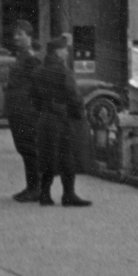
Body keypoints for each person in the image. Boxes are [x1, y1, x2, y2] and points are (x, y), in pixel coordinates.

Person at [34, 36, 91, 207]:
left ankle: (44, 194)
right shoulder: (64, 72)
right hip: (63, 119)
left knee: (47, 156)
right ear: (58, 52)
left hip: (45, 118)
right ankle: (69, 194)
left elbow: (33, 96)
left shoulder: (39, 71)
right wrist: (80, 115)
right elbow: (74, 96)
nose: (66, 52)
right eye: (65, 49)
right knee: (67, 156)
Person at [4, 20, 42, 202]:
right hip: (18, 111)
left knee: (31, 149)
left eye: (21, 34)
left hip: (27, 112)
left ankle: (37, 188)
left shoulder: (31, 59)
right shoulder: (21, 58)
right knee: (24, 149)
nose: (16, 37)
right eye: (15, 34)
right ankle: (31, 187)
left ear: (30, 37)